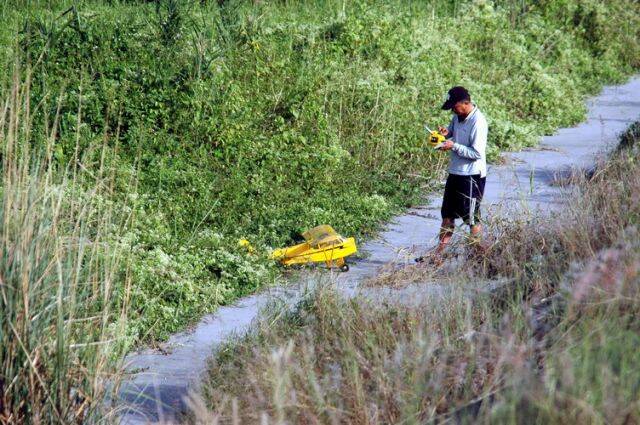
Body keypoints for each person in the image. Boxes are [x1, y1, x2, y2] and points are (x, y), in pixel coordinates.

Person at [416, 86, 488, 264]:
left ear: (465, 103)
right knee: (447, 215)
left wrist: (453, 146)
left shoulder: (478, 122)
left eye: (454, 107)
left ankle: (480, 256)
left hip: (472, 175)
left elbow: (477, 153)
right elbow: (452, 134)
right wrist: (444, 136)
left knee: (472, 218)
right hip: (455, 173)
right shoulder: (457, 117)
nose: (452, 111)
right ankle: (438, 255)